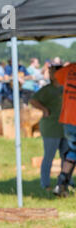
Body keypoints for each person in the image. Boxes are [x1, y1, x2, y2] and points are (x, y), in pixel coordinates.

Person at [30, 65, 70, 190]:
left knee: (67, 157)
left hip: (66, 127)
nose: (53, 75)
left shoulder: (67, 88)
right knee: (49, 156)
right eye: (51, 73)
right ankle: (45, 184)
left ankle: (66, 183)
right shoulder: (47, 90)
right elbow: (33, 100)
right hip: (51, 128)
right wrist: (44, 109)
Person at [53, 62, 76, 196]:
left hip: (68, 119)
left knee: (72, 152)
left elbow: (56, 77)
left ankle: (60, 185)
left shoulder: (70, 68)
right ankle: (61, 184)